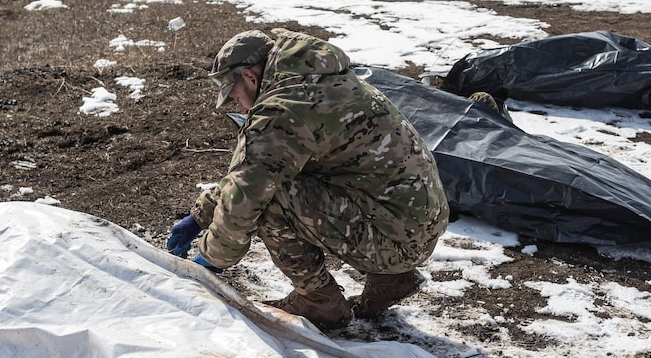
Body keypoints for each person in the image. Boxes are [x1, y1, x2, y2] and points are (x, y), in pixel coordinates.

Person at [166, 28, 449, 330]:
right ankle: (391, 279)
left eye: (236, 96)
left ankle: (319, 302)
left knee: (271, 199)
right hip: (415, 225)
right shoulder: (318, 78)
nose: (243, 108)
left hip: (396, 239)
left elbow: (247, 195)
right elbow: (256, 169)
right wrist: (201, 215)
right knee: (278, 181)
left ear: (249, 77)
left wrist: (211, 257)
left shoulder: (281, 111)